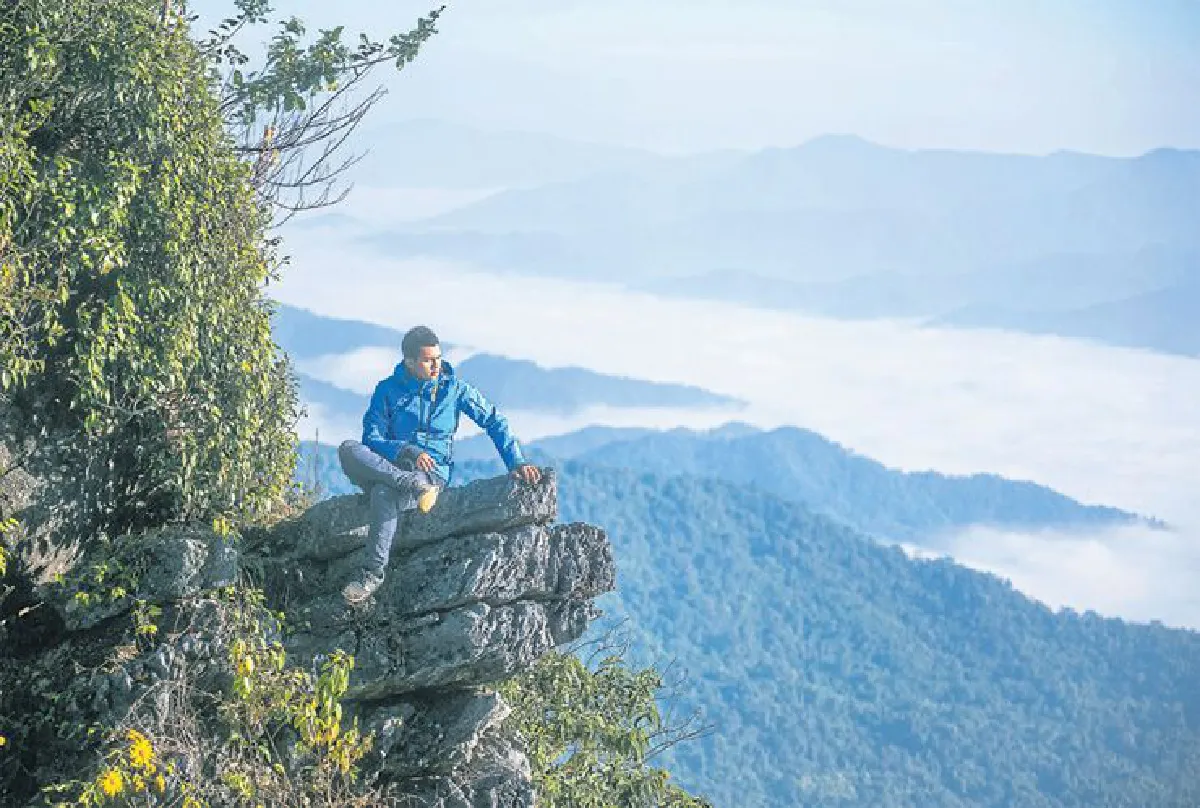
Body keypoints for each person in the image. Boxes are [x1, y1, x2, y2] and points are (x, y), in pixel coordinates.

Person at [338, 325, 542, 604]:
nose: (436, 365)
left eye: (438, 358)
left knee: (383, 495)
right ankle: (411, 484)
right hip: (392, 467)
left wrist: (516, 461)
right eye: (428, 360)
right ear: (409, 362)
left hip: (430, 473)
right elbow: (371, 438)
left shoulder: (454, 390)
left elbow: (494, 421)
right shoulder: (387, 390)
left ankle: (372, 575)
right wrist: (407, 449)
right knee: (348, 449)